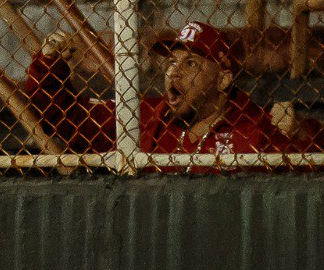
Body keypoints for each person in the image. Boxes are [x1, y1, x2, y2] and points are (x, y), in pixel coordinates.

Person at [24, 20, 318, 164]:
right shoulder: (146, 117)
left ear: (223, 79)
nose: (174, 72)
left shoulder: (258, 129)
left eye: (191, 63)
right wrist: (48, 67)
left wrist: (300, 135)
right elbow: (64, 117)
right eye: (172, 61)